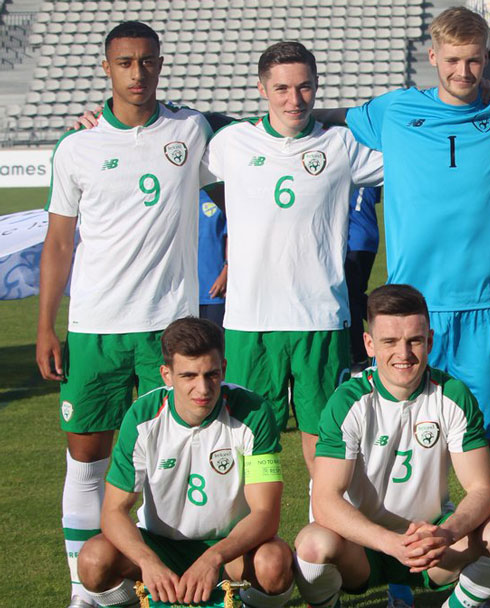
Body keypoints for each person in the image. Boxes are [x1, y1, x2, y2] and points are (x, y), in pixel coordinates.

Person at [314, 7, 490, 524]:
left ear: (486, 58)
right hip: (411, 309)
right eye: (453, 60)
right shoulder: (393, 111)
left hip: (480, 301)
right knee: (399, 437)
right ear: (432, 57)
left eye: (474, 60)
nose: (463, 71)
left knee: (488, 432)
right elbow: (336, 122)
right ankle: (399, 574)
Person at [35, 21, 212, 608]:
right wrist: (45, 326)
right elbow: (59, 243)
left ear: (162, 64)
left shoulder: (192, 129)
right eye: (126, 63)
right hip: (95, 329)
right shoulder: (76, 146)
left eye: (149, 62)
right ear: (106, 69)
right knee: (87, 457)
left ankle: (168, 581)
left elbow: (248, 173)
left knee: (169, 454)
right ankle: (84, 589)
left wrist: (236, 254)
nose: (139, 73)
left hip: (169, 329)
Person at [201, 41, 383, 476]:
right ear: (263, 89)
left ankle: (324, 536)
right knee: (249, 439)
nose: (294, 99)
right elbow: (166, 148)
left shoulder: (341, 145)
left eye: (304, 87)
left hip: (319, 317)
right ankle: (252, 538)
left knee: (324, 442)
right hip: (250, 320)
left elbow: (415, 161)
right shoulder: (231, 144)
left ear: (317, 87)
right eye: (282, 88)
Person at [293, 284, 490, 608]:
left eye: (414, 340)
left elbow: (482, 490)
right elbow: (326, 500)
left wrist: (446, 533)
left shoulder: (453, 395)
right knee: (313, 545)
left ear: (429, 339)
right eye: (390, 342)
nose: (404, 354)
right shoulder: (348, 401)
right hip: (362, 548)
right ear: (369, 344)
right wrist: (389, 542)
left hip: (432, 542)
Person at [75, 317, 293, 607]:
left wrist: (212, 558)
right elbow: (113, 510)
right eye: (189, 376)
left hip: (229, 550)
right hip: (161, 546)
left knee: (274, 562)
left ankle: (242, 603)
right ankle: (142, 599)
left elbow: (266, 513)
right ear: (167, 374)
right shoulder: (143, 418)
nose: (203, 389)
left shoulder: (253, 412)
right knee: (93, 559)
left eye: (212, 375)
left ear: (224, 368)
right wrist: (148, 562)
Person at [345, 186, 381, 368]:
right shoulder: (369, 171)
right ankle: (384, 316)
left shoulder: (348, 168)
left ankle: (358, 356)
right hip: (369, 238)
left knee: (351, 298)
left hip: (354, 239)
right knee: (356, 296)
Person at [197, 188, 228, 328]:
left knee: (214, 344)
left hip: (214, 290)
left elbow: (232, 237)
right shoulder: (179, 195)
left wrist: (226, 273)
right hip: (181, 292)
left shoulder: (218, 195)